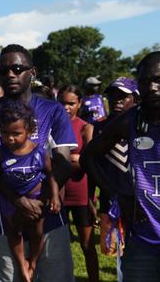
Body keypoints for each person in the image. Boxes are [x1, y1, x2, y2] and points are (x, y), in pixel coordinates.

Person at [0, 44, 76, 282]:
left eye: (17, 68)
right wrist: (19, 201)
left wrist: (41, 201)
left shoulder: (53, 110)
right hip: (5, 219)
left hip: (49, 216)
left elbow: (62, 162)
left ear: (33, 73)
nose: (10, 74)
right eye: (3, 70)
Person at [81, 52, 160, 281]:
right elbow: (88, 157)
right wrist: (116, 193)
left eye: (158, 80)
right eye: (145, 82)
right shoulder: (129, 121)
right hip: (143, 241)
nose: (153, 88)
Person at [0, 102, 61, 282]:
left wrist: (54, 195)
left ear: (29, 130)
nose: (10, 138)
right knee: (14, 232)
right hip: (10, 202)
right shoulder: (0, 154)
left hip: (36, 200)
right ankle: (22, 265)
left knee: (37, 232)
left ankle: (33, 261)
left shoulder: (40, 152)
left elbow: (51, 174)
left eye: (16, 134)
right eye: (5, 133)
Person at [93, 77, 139, 256]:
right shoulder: (99, 128)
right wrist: (92, 198)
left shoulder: (143, 126)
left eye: (123, 96)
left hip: (140, 199)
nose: (117, 100)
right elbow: (91, 161)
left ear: (135, 98)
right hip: (109, 199)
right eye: (112, 96)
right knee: (114, 250)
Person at [57, 85, 99, 282]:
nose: (66, 107)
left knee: (87, 244)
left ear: (79, 104)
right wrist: (73, 158)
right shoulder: (54, 126)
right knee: (59, 245)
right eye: (62, 103)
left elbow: (87, 161)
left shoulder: (85, 127)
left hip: (80, 193)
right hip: (59, 193)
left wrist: (92, 198)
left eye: (71, 103)